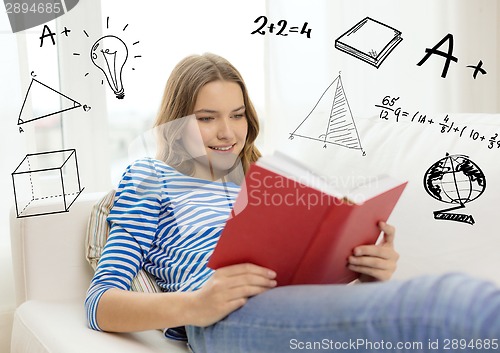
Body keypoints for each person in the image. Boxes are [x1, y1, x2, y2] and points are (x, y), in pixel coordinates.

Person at [86, 53, 500, 352]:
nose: (227, 132)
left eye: (237, 114)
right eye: (207, 118)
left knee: (441, 308)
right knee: (449, 304)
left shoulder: (264, 179)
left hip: (294, 305)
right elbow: (99, 303)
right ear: (177, 124)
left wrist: (367, 271)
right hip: (223, 318)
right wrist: (195, 305)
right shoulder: (149, 177)